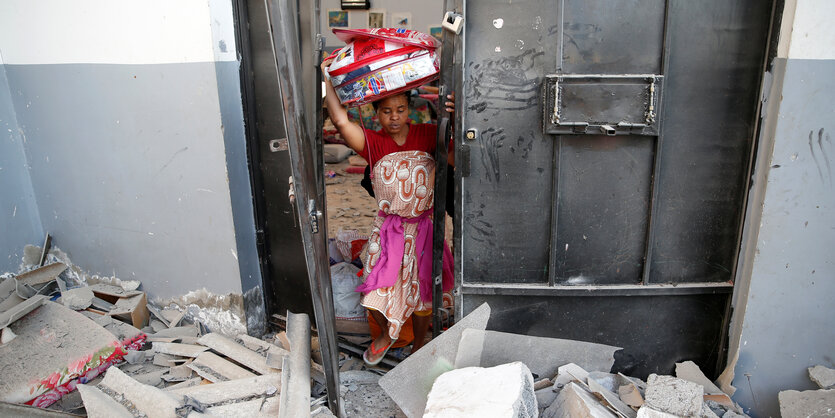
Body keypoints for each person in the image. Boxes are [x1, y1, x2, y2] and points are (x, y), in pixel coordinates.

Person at [321, 56, 455, 366]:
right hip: (388, 229)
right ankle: (387, 333)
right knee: (373, 284)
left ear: (410, 110)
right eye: (386, 111)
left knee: (423, 293)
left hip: (424, 228)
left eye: (400, 110)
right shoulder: (373, 143)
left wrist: (455, 111)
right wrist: (327, 79)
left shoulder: (427, 134)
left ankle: (418, 345)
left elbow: (454, 151)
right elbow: (341, 122)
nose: (394, 118)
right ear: (376, 114)